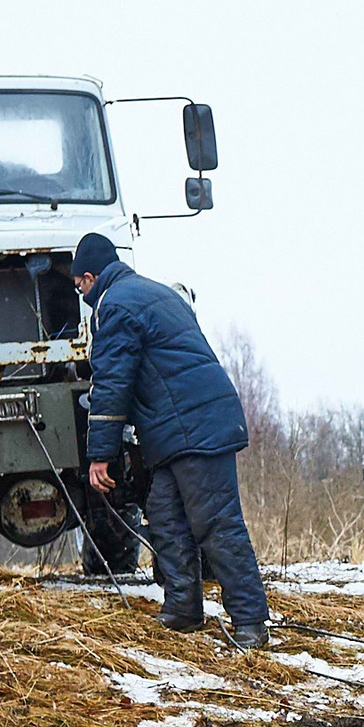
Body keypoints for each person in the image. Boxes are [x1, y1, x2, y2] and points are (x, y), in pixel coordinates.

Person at [72, 233, 268, 648]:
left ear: (90, 277)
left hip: (193, 428)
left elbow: (112, 382)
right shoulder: (157, 293)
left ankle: (250, 622)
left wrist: (100, 455)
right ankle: (183, 609)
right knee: (164, 513)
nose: (82, 295)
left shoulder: (116, 306)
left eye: (80, 286)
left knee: (216, 522)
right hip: (182, 427)